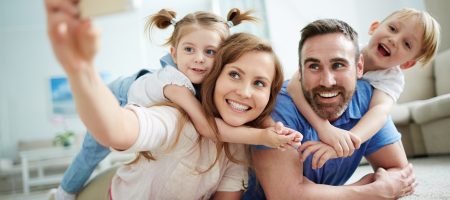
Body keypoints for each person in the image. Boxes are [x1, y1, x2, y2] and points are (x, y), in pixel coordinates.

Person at [45, 0, 301, 198]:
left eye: (209, 52)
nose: (199, 58)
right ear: (174, 53)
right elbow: (119, 129)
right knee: (91, 153)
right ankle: (63, 193)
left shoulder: (234, 136)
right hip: (116, 100)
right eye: (235, 75)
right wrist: (81, 69)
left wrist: (274, 128)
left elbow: (293, 86)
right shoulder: (175, 91)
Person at [243, 19, 416, 199]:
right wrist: (370, 191)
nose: (327, 81)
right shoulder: (278, 107)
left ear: (359, 67)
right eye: (314, 66)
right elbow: (286, 195)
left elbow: (400, 173)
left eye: (339, 65)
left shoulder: (371, 101)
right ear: (300, 71)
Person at [286, 8, 440, 166]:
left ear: (407, 63)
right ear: (374, 27)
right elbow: (293, 83)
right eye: (393, 29)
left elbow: (379, 112)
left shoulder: (391, 78)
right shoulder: (347, 48)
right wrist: (324, 128)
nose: (394, 40)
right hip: (313, 110)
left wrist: (345, 142)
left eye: (407, 44)